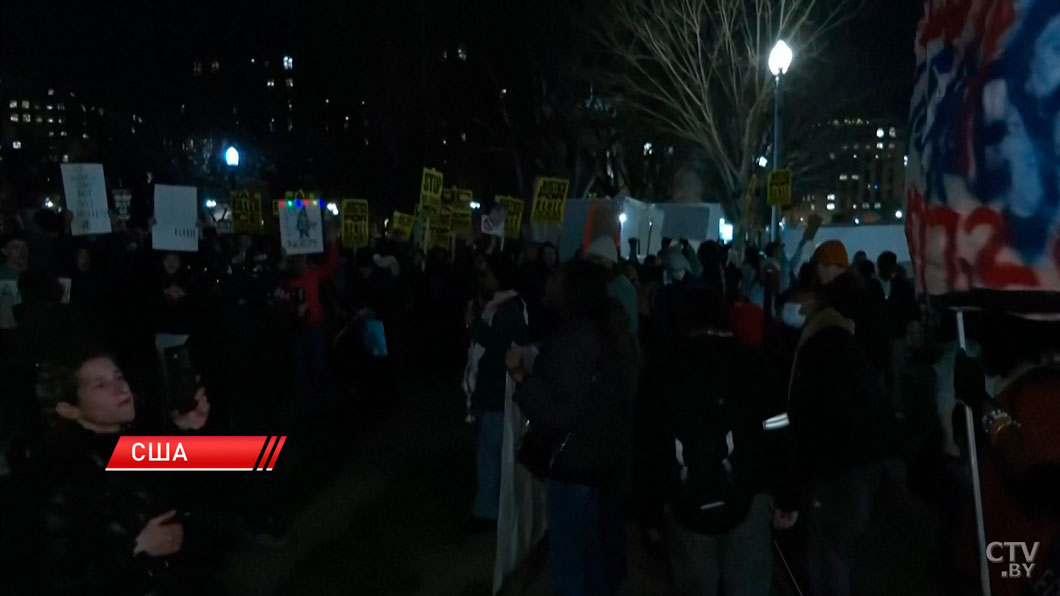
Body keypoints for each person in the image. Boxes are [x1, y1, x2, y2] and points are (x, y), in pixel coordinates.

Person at [33, 351, 210, 595]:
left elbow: (238, 458)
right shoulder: (62, 475)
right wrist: (136, 549)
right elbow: (63, 579)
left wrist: (184, 427)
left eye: (118, 377)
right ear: (69, 409)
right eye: (101, 385)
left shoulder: (125, 437)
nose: (121, 388)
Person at [510, 259, 637, 596]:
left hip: (576, 464)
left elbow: (559, 412)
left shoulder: (577, 339)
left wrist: (522, 378)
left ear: (571, 290)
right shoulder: (613, 332)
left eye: (556, 279)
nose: (549, 284)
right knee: (595, 559)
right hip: (605, 462)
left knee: (571, 566)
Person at [658, 288, 797, 596]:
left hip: (685, 493)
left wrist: (649, 507)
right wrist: (786, 495)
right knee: (748, 581)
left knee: (695, 583)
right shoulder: (753, 362)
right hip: (750, 492)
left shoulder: (663, 366)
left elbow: (649, 439)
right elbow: (778, 429)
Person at [788, 240, 888, 596]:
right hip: (861, 448)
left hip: (835, 456)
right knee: (840, 548)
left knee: (826, 550)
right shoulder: (862, 302)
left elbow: (812, 406)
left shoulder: (828, 330)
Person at [467, 255, 529, 524]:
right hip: (496, 390)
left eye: (488, 274)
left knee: (490, 453)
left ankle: (488, 510)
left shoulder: (507, 310)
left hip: (497, 391)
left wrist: (475, 324)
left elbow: (496, 347)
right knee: (492, 451)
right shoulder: (503, 306)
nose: (483, 279)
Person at [874, 251, 919, 418]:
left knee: (886, 372)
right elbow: (912, 308)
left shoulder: (875, 285)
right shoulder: (900, 285)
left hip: (883, 335)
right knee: (895, 372)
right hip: (894, 334)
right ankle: (894, 408)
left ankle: (887, 407)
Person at [586, 236, 639, 339]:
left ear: (610, 260)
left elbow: (631, 326)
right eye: (590, 260)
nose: (594, 263)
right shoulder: (593, 282)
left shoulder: (623, 287)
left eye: (598, 259)